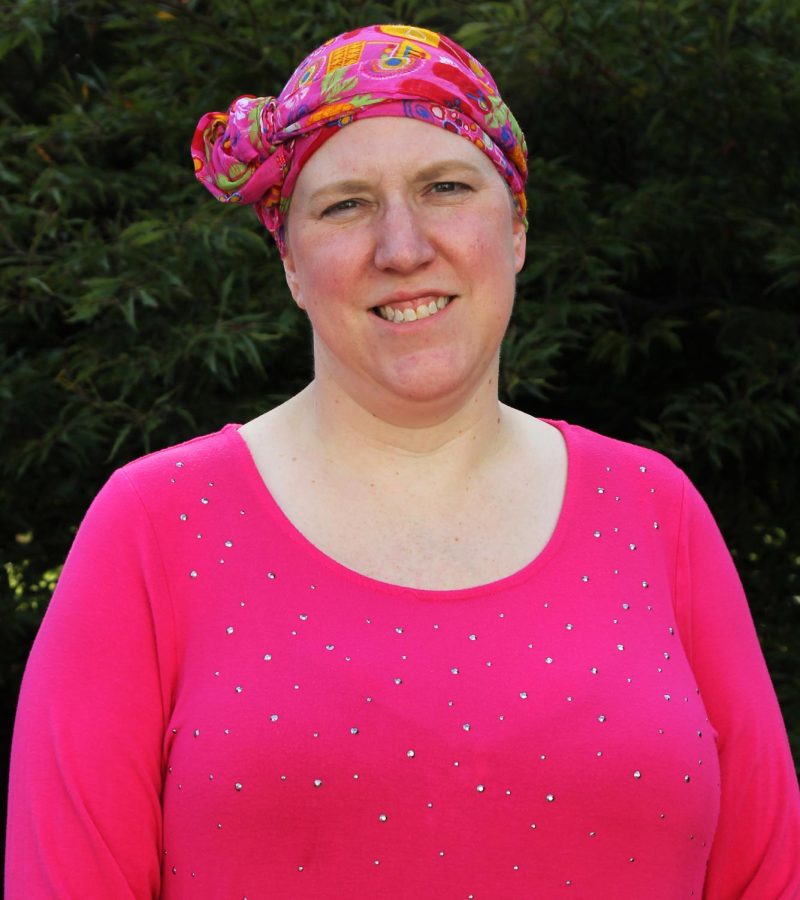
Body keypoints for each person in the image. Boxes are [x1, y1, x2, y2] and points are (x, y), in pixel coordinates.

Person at [5, 23, 799, 899]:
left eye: (446, 186)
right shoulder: (154, 528)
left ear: (518, 228)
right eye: (345, 204)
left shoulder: (656, 512)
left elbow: (766, 870)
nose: (403, 246)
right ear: (291, 264)